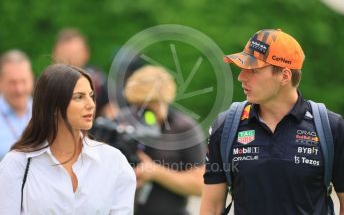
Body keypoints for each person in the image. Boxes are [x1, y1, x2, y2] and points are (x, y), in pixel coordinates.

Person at [200, 29, 344, 215]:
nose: (241, 77)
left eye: (253, 70)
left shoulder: (330, 127)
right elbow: (211, 207)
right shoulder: (226, 125)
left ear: (284, 76)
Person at [0, 64, 136, 214]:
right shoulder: (17, 163)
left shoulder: (114, 161)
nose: (90, 105)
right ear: (53, 106)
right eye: (79, 97)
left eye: (91, 96)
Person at [123, 65, 206, 215]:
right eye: (139, 104)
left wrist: (155, 172)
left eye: (151, 104)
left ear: (165, 98)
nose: (144, 111)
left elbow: (201, 185)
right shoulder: (123, 122)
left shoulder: (183, 128)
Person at [52, 28, 117, 118]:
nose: (71, 59)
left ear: (86, 53)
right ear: (55, 54)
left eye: (76, 53)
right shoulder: (48, 83)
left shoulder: (97, 79)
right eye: (67, 53)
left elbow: (112, 105)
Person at [0, 50, 34, 160]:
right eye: (12, 82)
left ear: (32, 79)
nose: (19, 89)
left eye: (23, 81)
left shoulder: (45, 112)